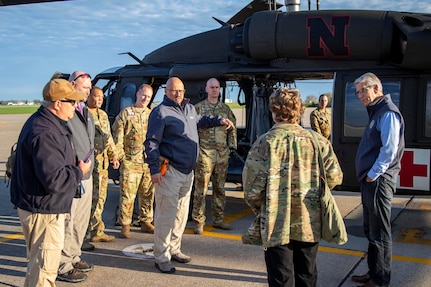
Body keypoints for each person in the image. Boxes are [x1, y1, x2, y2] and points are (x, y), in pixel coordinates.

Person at [242, 88, 343, 287]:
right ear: (300, 110)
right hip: (309, 222)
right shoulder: (318, 141)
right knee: (307, 274)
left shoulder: (265, 142)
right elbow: (334, 177)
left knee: (281, 278)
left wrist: (263, 208)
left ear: (274, 111)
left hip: (275, 224)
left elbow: (251, 189)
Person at [144, 77, 234, 274]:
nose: (178, 94)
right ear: (166, 92)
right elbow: (151, 142)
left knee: (180, 216)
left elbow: (200, 121)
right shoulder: (160, 112)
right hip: (170, 172)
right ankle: (161, 257)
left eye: (181, 91)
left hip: (188, 172)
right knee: (165, 217)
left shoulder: (189, 109)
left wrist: (218, 120)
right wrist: (153, 170)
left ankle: (174, 249)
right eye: (174, 91)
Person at [10, 78, 91, 287]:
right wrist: (78, 171)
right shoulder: (46, 131)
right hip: (43, 212)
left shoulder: (46, 122)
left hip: (40, 206)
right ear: (57, 103)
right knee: (44, 273)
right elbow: (54, 180)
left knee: (37, 267)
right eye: (72, 102)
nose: (76, 106)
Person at [351, 72, 405, 287]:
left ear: (377, 88)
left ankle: (380, 280)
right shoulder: (377, 111)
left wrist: (373, 174)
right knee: (371, 230)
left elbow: (389, 150)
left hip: (379, 181)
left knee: (379, 233)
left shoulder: (387, 113)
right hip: (372, 181)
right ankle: (374, 272)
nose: (360, 95)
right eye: (358, 92)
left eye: (364, 90)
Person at [57, 71, 95, 283]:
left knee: (80, 220)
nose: (88, 92)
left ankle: (73, 255)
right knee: (69, 220)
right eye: (84, 88)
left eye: (90, 89)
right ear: (72, 85)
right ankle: (62, 265)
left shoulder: (85, 111)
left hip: (86, 173)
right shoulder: (66, 111)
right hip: (73, 174)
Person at [192, 78, 237, 234]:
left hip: (221, 154)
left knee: (220, 189)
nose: (214, 90)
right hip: (204, 153)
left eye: (217, 87)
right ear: (206, 89)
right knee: (201, 189)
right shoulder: (198, 108)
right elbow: (191, 131)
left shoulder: (225, 109)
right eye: (211, 87)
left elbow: (233, 128)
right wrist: (195, 149)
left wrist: (231, 147)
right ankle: (198, 221)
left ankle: (218, 219)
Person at [112, 84, 155, 238]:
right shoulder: (126, 114)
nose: (145, 99)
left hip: (147, 162)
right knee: (127, 195)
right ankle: (125, 224)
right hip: (131, 161)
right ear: (137, 94)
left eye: (148, 97)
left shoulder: (152, 114)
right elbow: (117, 137)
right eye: (143, 95)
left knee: (148, 194)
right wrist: (120, 157)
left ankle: (146, 221)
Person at [86, 86, 120, 243]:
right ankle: (87, 231)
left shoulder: (103, 115)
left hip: (103, 164)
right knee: (91, 199)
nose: (99, 99)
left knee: (101, 198)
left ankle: (96, 230)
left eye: (101, 97)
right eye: (96, 96)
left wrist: (114, 156)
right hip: (91, 164)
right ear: (88, 96)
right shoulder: (84, 114)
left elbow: (109, 138)